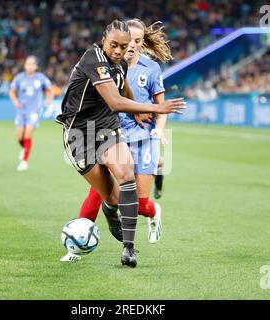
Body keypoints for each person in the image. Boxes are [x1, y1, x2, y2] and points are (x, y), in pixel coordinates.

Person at [55, 20, 185, 267]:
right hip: (80, 134)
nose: (118, 51)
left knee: (126, 176)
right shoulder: (93, 59)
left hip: (106, 126)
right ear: (104, 40)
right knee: (112, 198)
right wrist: (155, 108)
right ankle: (109, 207)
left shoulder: (121, 63)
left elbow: (124, 87)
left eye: (123, 47)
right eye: (114, 45)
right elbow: (115, 101)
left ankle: (129, 249)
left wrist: (136, 112)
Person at [9, 55, 54, 171]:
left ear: (36, 66)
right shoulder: (19, 78)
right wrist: (15, 101)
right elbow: (12, 91)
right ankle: (24, 148)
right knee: (20, 137)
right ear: (25, 65)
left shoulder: (41, 78)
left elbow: (50, 90)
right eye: (28, 64)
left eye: (32, 64)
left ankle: (24, 161)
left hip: (34, 110)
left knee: (27, 134)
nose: (29, 66)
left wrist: (49, 99)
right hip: (21, 110)